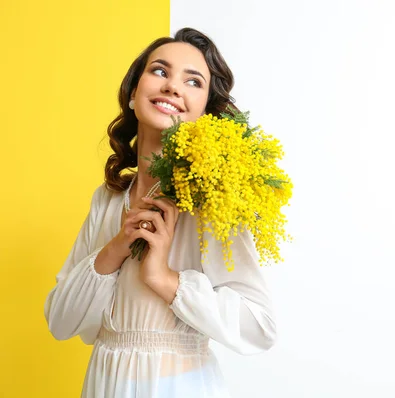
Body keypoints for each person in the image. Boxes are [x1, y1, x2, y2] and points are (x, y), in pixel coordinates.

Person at [44, 27, 277, 398]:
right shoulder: (107, 200)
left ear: (204, 112)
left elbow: (259, 327)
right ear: (133, 94)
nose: (172, 87)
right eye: (159, 71)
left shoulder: (211, 201)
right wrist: (115, 249)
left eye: (193, 81)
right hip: (103, 386)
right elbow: (59, 321)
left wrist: (165, 278)